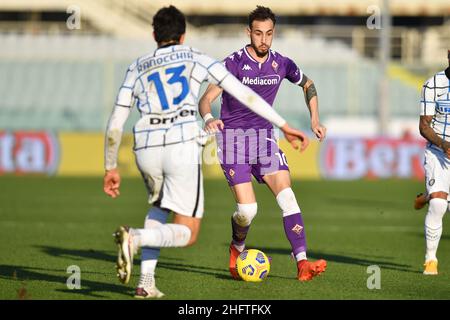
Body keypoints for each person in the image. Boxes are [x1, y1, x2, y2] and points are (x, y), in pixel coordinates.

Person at [103, 5, 310, 298]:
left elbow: (116, 119)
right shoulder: (197, 58)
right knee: (188, 232)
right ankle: (135, 238)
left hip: (145, 147)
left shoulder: (137, 66)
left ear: (153, 34)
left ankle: (146, 282)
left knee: (159, 207)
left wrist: (110, 165)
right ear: (184, 35)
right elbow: (244, 95)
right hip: (180, 145)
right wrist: (284, 125)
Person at [199, 6, 327, 281]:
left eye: (269, 34)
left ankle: (302, 263)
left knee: (287, 196)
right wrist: (209, 117)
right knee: (247, 211)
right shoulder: (232, 64)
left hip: (265, 140)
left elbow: (309, 84)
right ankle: (237, 246)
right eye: (258, 33)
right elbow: (206, 98)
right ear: (249, 32)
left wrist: (314, 118)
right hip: (233, 140)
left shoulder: (281, 63)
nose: (264, 40)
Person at [418, 49, 450, 275]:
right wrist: (444, 145)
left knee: (440, 200)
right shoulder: (433, 84)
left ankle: (426, 195)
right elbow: (424, 126)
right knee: (439, 205)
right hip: (437, 152)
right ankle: (431, 259)